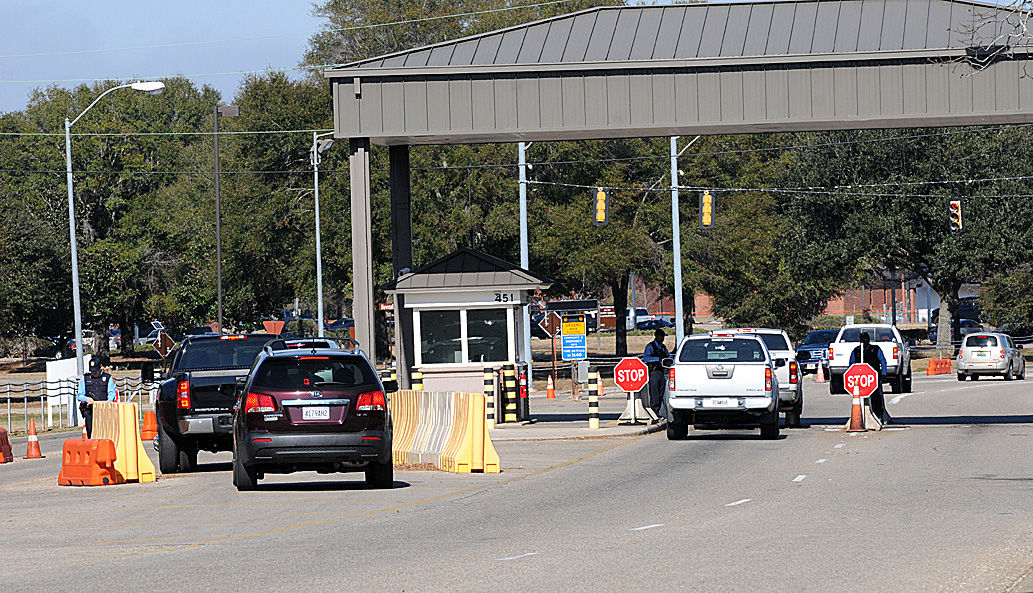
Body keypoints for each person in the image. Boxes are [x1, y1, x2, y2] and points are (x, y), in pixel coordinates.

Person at [848, 332, 890, 422]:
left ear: (869, 339)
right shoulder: (856, 351)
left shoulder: (875, 349)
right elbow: (851, 365)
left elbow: (883, 361)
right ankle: (861, 417)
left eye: (865, 339)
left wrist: (884, 374)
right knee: (860, 398)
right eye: (862, 339)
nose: (864, 341)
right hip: (860, 380)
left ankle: (879, 415)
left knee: (876, 398)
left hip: (874, 378)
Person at [77, 358, 117, 438]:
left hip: (104, 410)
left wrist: (107, 402)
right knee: (91, 433)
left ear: (100, 367)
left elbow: (111, 393)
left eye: (96, 370)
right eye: (92, 371)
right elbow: (79, 395)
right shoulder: (85, 378)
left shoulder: (108, 378)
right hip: (90, 410)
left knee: (105, 434)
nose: (94, 372)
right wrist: (87, 399)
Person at [643, 329, 671, 417]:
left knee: (661, 393)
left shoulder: (663, 347)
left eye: (663, 337)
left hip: (661, 372)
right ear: (657, 336)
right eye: (661, 336)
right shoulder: (650, 346)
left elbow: (668, 356)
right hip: (653, 372)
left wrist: (668, 360)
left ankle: (658, 412)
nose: (662, 338)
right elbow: (646, 358)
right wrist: (657, 359)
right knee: (654, 393)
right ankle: (654, 412)